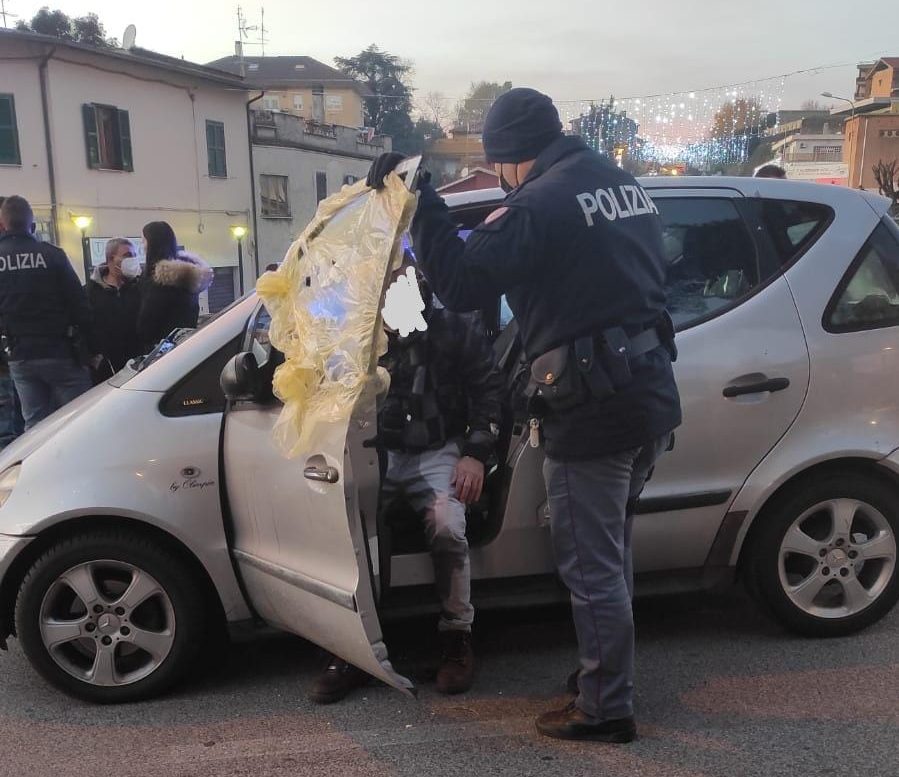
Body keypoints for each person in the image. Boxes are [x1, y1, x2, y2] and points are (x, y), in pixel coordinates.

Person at [367, 88, 681, 743]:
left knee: (590, 565)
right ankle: (605, 676)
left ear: (509, 158)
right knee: (611, 554)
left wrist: (420, 201)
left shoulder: (538, 203)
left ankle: (604, 707)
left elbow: (460, 284)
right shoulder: (616, 183)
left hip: (593, 409)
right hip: (647, 395)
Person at [310, 258, 504, 704]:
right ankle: (348, 647)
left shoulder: (454, 327)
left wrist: (475, 454)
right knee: (345, 533)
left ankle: (457, 636)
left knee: (448, 524)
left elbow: (487, 391)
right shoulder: (356, 334)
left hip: (437, 449)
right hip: (373, 450)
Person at [0, 195, 94, 429]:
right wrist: (92, 348)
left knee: (34, 425)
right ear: (31, 224)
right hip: (60, 351)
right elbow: (79, 304)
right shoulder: (52, 255)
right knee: (78, 420)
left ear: (4, 224)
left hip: (19, 353)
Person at [137, 221, 213, 349]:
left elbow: (146, 327)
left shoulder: (160, 282)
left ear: (153, 244)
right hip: (184, 347)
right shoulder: (186, 278)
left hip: (161, 351)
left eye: (144, 241)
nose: (142, 246)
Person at [87, 238, 143, 378]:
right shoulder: (91, 291)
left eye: (135, 255)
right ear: (111, 258)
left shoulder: (140, 287)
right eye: (128, 255)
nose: (133, 259)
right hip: (105, 367)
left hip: (138, 363)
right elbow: (85, 324)